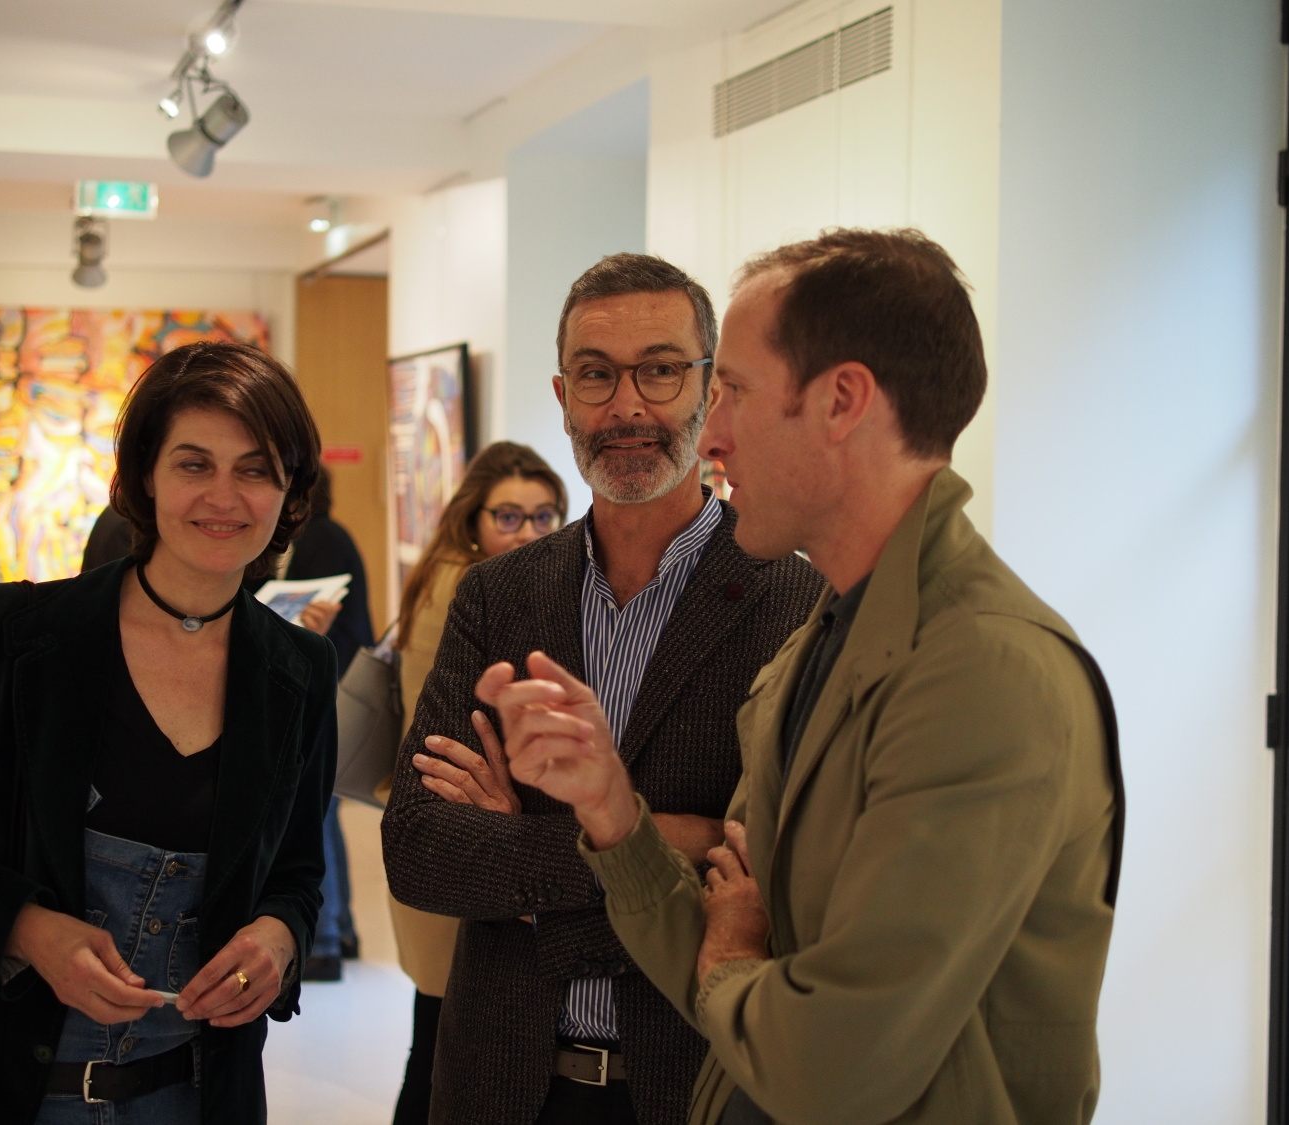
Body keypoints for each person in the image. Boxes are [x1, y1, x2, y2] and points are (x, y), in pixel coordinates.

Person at [478, 229, 1126, 1124]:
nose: (712, 433)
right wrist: (611, 809)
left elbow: (833, 1064)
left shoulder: (983, 673)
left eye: (735, 391)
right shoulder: (823, 642)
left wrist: (732, 962)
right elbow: (730, 937)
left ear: (842, 401)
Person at [380, 253, 825, 1125]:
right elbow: (419, 846)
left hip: (692, 1085)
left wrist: (521, 854)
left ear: (711, 391)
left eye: (659, 371)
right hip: (500, 1084)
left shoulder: (794, 600)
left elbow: (780, 869)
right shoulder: (498, 596)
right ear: (562, 395)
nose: (626, 406)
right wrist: (672, 839)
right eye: (595, 375)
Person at [0, 340, 337, 1125]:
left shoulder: (299, 670)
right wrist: (28, 929)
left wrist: (279, 938)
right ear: (144, 476)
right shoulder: (6, 637)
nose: (225, 496)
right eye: (194, 463)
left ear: (289, 493)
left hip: (192, 1094)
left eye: (256, 469)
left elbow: (298, 873)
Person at [386, 440, 569, 1124]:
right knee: (441, 1046)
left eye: (544, 516)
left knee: (433, 1035)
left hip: (450, 830)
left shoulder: (447, 577)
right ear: (474, 520)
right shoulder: (472, 592)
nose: (528, 533)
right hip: (459, 831)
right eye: (509, 517)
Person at [282, 467, 372, 981]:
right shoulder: (332, 536)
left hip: (329, 689)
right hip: (339, 684)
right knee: (326, 809)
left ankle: (324, 942)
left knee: (315, 809)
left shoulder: (320, 540)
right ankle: (342, 928)